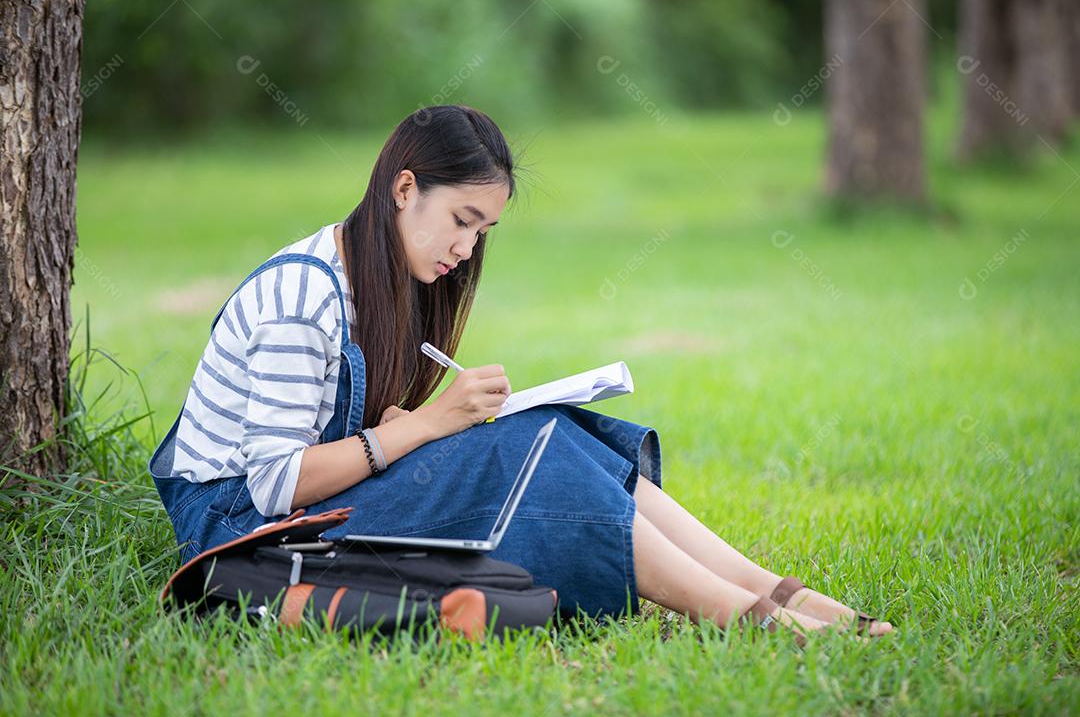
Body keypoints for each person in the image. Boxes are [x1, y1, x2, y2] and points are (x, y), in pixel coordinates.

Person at [149, 104, 893, 641]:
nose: (468, 249)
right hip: (245, 530)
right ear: (403, 190)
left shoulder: (377, 271)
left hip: (302, 503)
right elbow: (272, 485)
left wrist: (403, 427)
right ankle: (756, 620)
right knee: (531, 462)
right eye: (462, 220)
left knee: (548, 430)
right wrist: (430, 427)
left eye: (485, 230)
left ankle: (774, 590)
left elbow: (326, 430)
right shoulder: (300, 298)